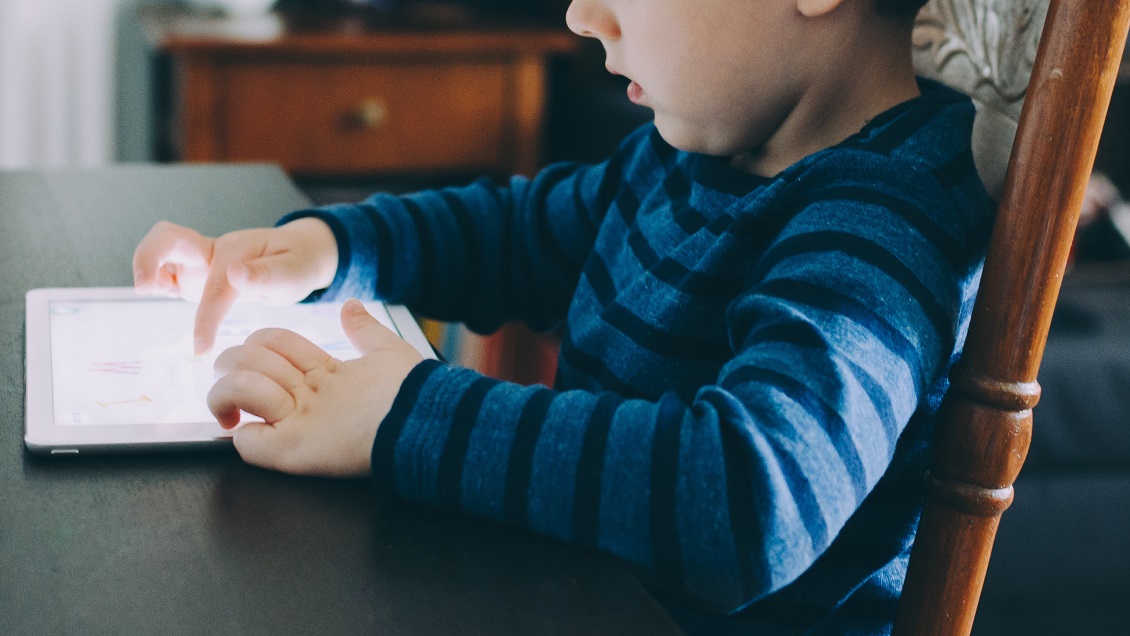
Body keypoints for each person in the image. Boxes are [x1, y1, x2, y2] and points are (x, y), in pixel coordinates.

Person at [132, 0, 995, 632]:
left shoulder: (885, 219)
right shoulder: (695, 153)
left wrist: (408, 411)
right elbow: (516, 235)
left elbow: (749, 502)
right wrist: (329, 248)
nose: (584, 16)